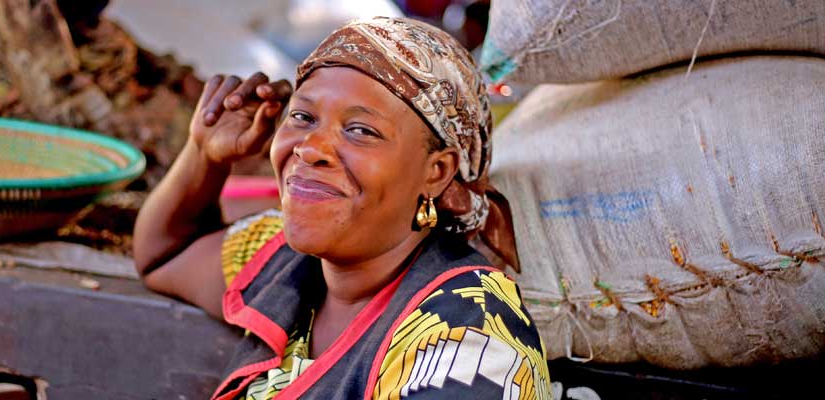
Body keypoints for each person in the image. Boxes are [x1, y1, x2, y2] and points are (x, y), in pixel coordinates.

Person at [134, 16, 551, 400]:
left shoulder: (467, 337)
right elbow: (165, 256)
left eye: (360, 130)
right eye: (303, 117)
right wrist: (205, 156)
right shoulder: (286, 258)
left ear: (437, 171)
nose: (310, 148)